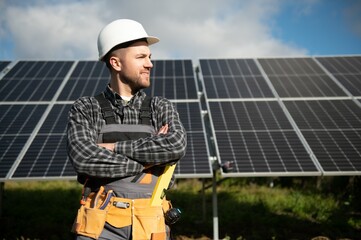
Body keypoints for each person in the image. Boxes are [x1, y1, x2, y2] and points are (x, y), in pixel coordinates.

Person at [67, 19, 187, 240]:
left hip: (151, 226)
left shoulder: (160, 106)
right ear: (116, 63)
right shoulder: (86, 107)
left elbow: (176, 145)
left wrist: (112, 148)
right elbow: (84, 158)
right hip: (99, 227)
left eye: (149, 57)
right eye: (141, 57)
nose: (150, 64)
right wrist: (150, 161)